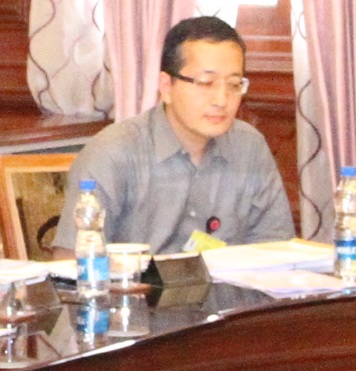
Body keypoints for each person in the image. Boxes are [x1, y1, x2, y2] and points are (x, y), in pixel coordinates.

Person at [55, 15, 292, 254]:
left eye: (233, 84)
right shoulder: (113, 153)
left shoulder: (249, 147)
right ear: (166, 87)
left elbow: (275, 250)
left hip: (231, 291)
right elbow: (73, 265)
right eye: (206, 83)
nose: (221, 100)